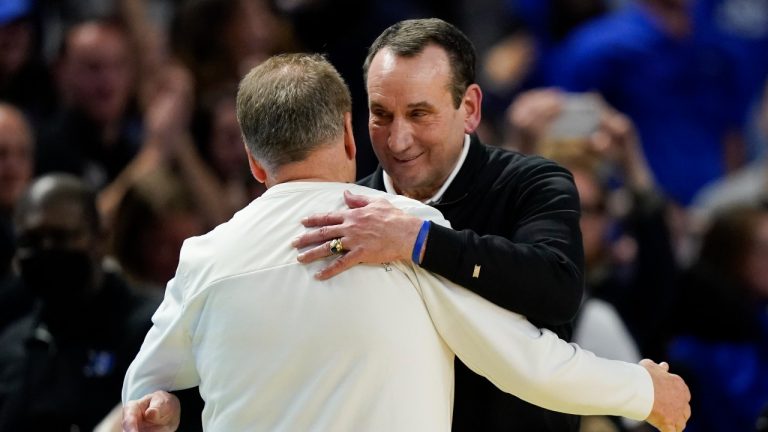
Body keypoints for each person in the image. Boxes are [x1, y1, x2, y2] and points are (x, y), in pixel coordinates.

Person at [121, 53, 690, 432]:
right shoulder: (402, 227)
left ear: (253, 162)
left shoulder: (205, 256)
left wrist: (161, 405)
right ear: (349, 132)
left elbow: (145, 385)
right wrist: (642, 391)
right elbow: (521, 361)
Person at [291, 18, 584, 431]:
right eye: (381, 115)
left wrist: (420, 240)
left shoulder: (531, 183)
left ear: (470, 109)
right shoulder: (342, 210)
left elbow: (557, 289)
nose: (397, 140)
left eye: (418, 114)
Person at [0, 173, 158, 431]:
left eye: (61, 237)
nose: (47, 250)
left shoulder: (152, 331)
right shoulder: (13, 347)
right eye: (32, 241)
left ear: (100, 236)